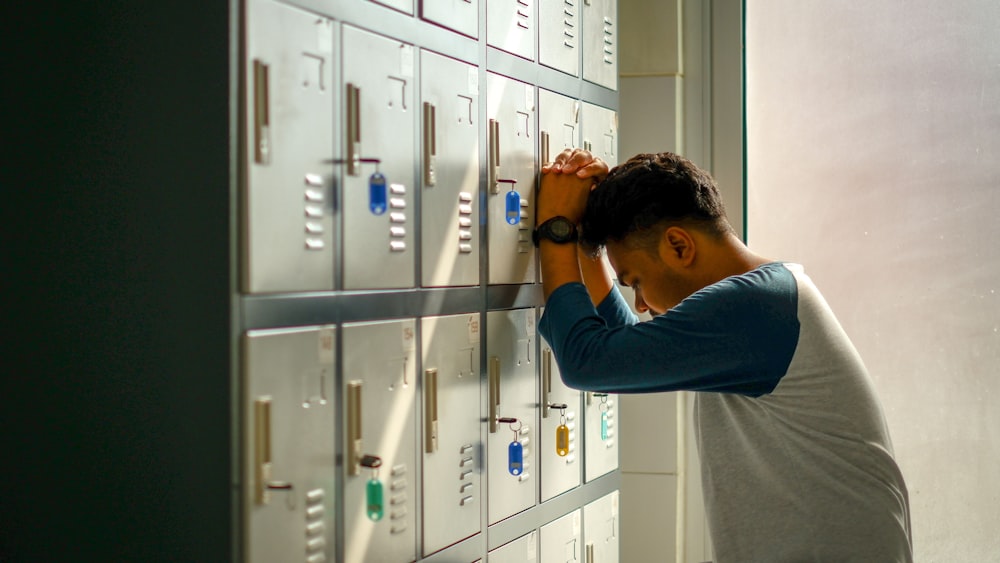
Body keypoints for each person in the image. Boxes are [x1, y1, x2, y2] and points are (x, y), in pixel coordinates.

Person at [534, 149, 912, 562]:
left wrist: (555, 228)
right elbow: (621, 345)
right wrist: (588, 238)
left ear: (679, 246)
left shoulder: (753, 309)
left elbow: (589, 361)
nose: (640, 304)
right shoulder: (766, 297)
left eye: (636, 282)